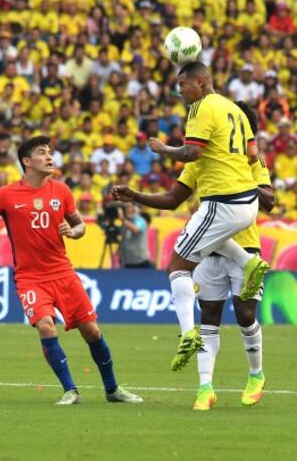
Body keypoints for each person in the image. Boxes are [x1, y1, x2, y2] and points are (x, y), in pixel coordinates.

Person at [0, 135, 142, 405]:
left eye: (50, 152)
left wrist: (73, 230)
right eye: (43, 153)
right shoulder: (6, 194)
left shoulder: (62, 191)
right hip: (30, 278)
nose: (50, 157)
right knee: (46, 327)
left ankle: (112, 389)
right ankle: (71, 390)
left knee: (91, 331)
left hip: (63, 273)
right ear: (26, 161)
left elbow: (80, 226)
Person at [113, 153, 274, 410]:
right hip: (207, 251)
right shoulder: (198, 159)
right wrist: (136, 195)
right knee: (209, 317)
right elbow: (172, 199)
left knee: (245, 314)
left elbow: (269, 202)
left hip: (246, 246)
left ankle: (256, 375)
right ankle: (205, 388)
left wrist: (237, 181)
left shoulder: (251, 159)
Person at [146, 62, 269, 370]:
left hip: (223, 200)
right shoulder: (236, 111)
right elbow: (253, 153)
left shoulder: (202, 108)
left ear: (200, 82)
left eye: (183, 85)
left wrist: (163, 149)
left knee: (176, 266)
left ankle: (188, 335)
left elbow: (192, 152)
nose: (180, 91)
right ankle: (248, 262)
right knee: (209, 233)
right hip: (245, 203)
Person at [119, 202, 153, 268]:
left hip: (141, 262)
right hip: (127, 262)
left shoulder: (140, 220)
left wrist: (123, 219)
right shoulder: (126, 221)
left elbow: (136, 230)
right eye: (125, 207)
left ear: (135, 208)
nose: (126, 209)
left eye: (128, 207)